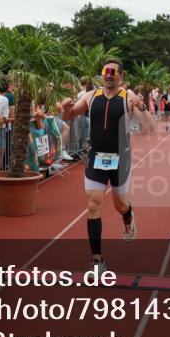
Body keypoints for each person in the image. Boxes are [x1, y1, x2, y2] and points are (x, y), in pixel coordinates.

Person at [61, 59, 150, 273]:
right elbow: (69, 116)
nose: (108, 75)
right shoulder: (90, 97)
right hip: (96, 158)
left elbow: (147, 126)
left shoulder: (128, 98)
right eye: (105, 71)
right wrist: (65, 109)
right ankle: (97, 260)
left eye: (113, 72)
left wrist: (142, 106)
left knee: (119, 204)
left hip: (121, 159)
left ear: (121, 76)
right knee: (94, 203)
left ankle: (128, 216)